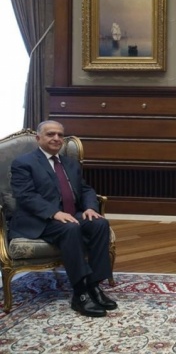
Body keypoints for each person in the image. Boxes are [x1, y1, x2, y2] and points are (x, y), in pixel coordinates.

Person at [10, 120, 117, 317]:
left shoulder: (70, 163)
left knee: (99, 223)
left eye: (60, 135)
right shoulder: (24, 163)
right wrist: (54, 213)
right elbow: (25, 196)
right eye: (50, 134)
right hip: (40, 219)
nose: (56, 138)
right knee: (70, 228)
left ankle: (94, 286)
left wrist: (90, 208)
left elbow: (85, 189)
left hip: (72, 214)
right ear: (38, 138)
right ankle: (80, 293)